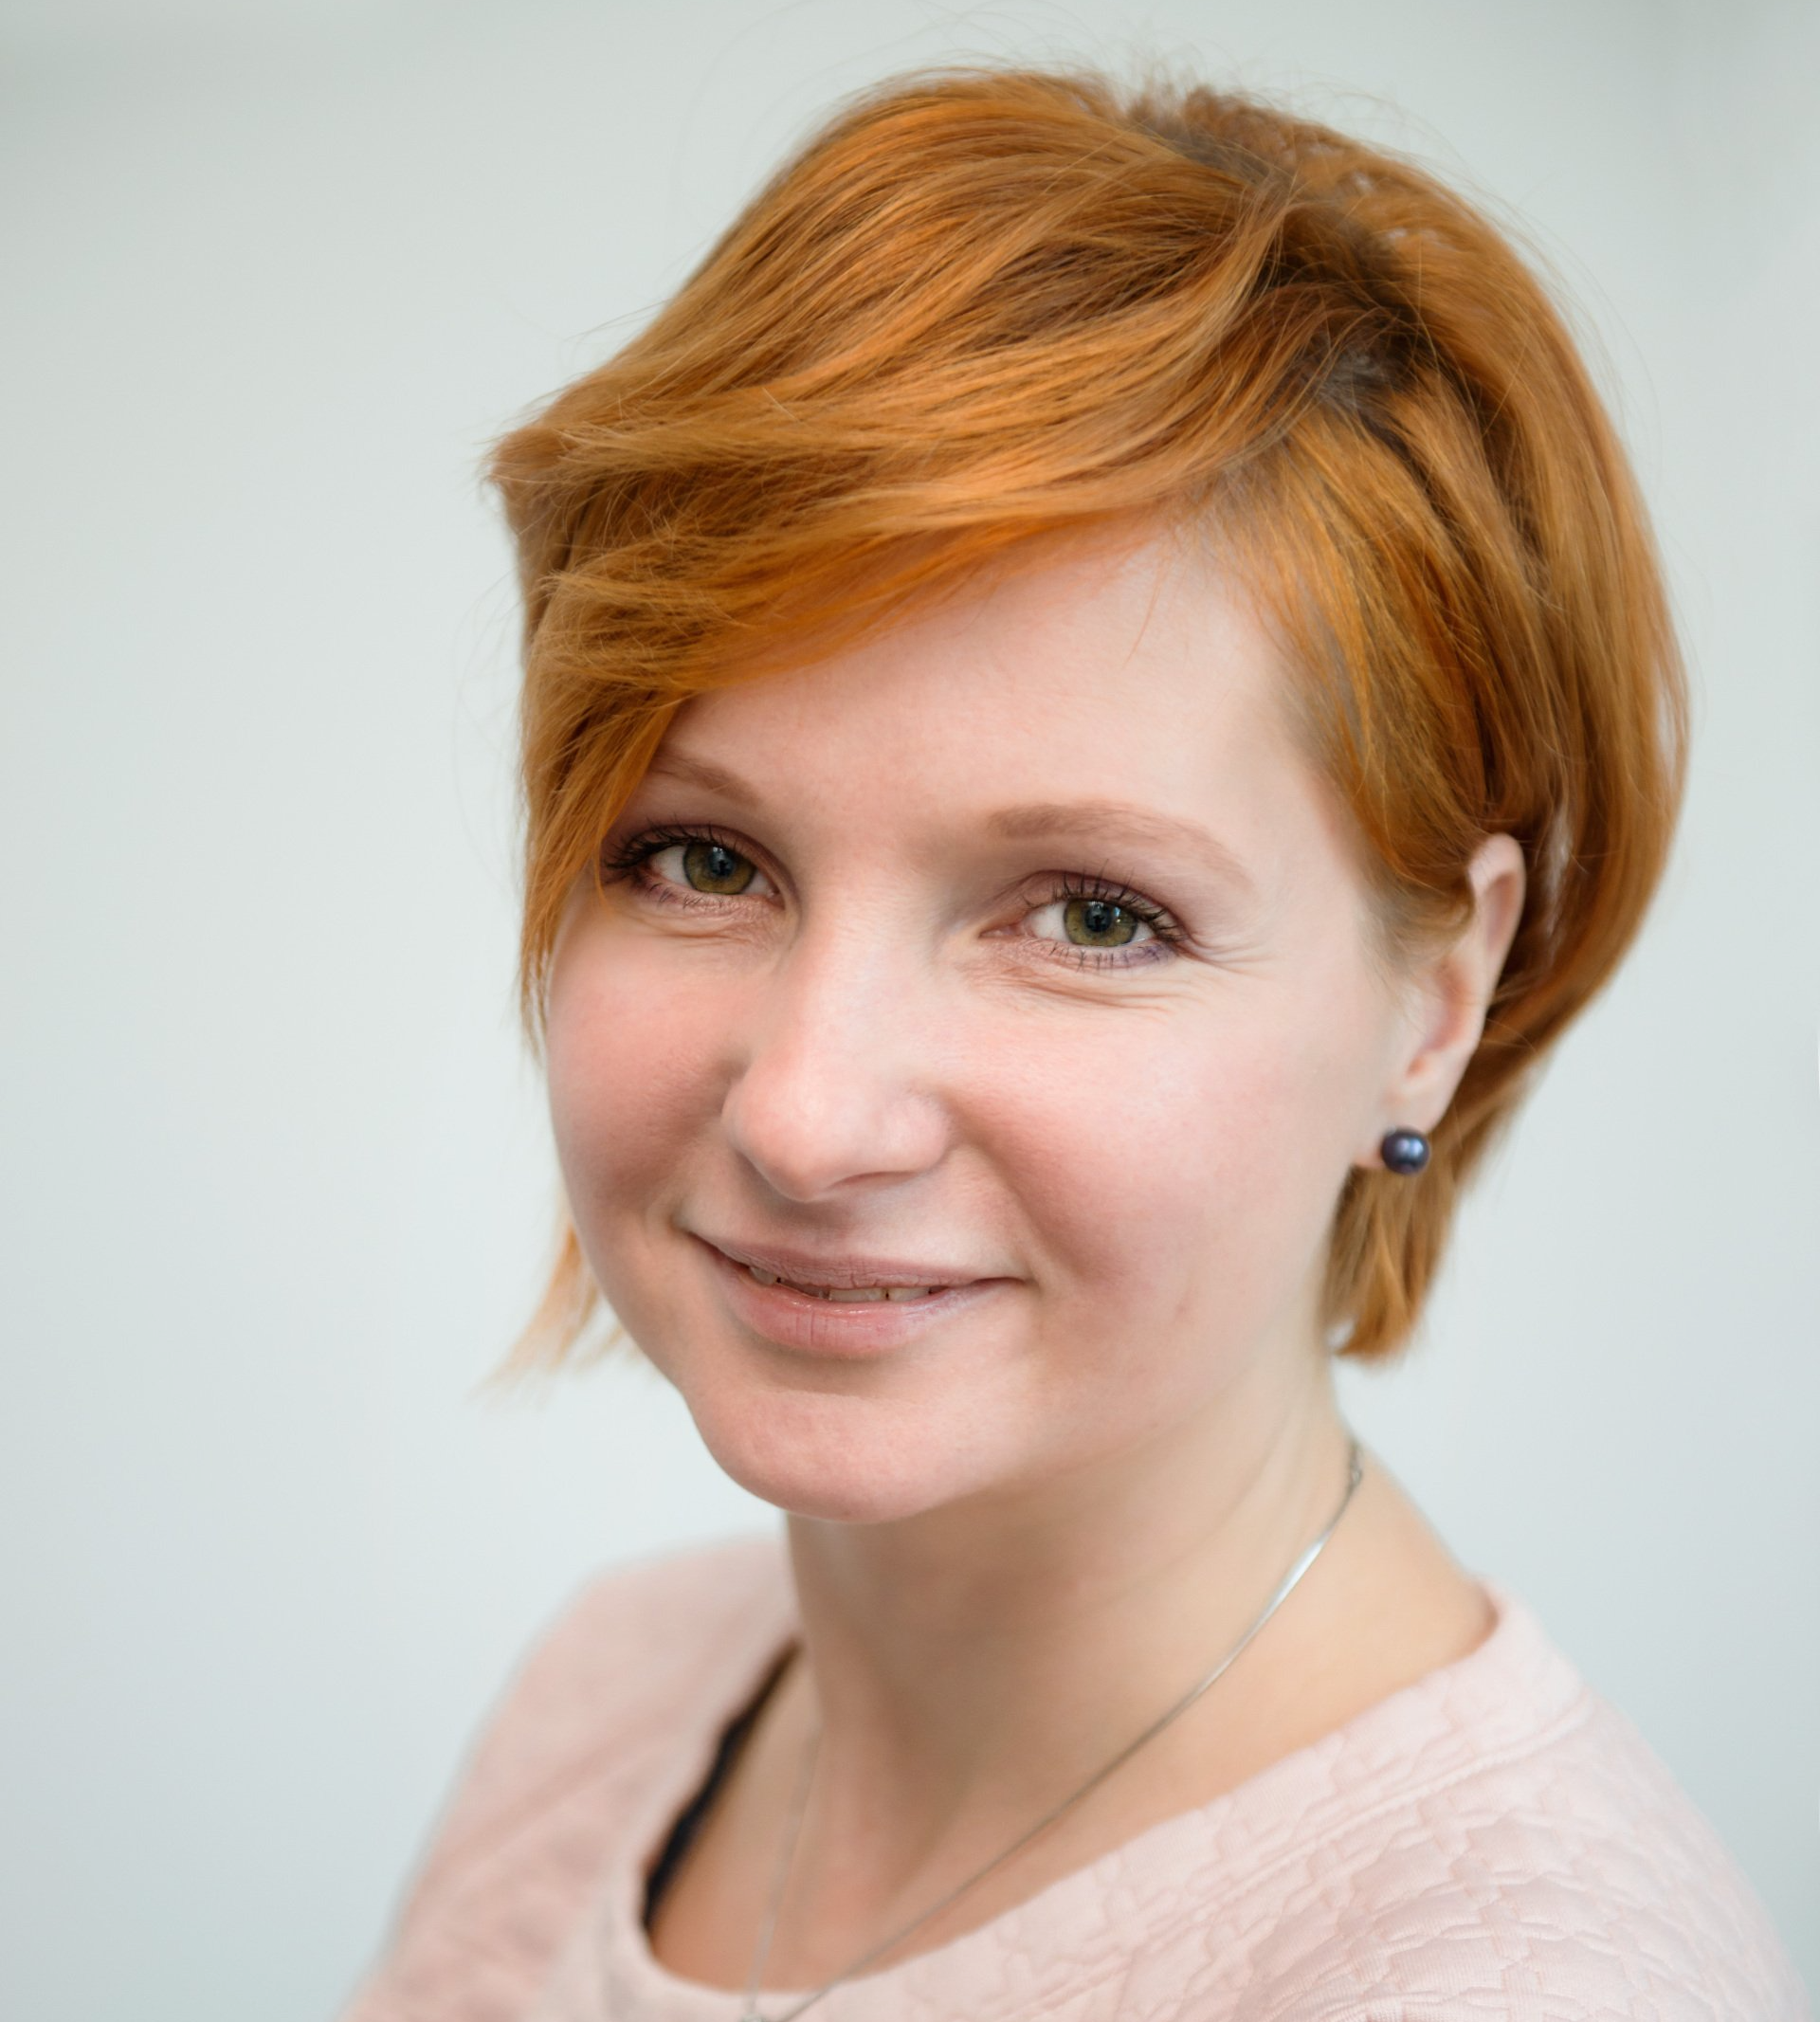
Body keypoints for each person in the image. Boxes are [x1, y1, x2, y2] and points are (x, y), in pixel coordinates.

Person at [338, 64, 1810, 2022]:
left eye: (1095, 915)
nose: (808, 1115)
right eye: (703, 859)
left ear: (1437, 1002)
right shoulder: (617, 1700)